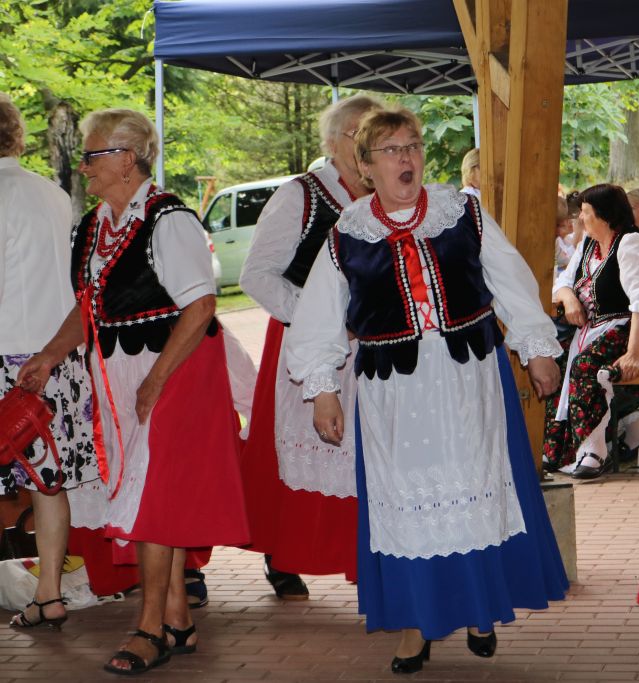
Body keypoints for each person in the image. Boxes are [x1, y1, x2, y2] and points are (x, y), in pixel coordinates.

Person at [285, 106, 568, 674]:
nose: (406, 158)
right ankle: (415, 626)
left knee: (476, 486)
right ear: (366, 167)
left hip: (469, 379)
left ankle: (481, 608)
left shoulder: (461, 212)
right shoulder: (347, 235)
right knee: (408, 505)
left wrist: (537, 347)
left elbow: (509, 278)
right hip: (395, 394)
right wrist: (323, 390)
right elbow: (317, 320)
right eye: (391, 150)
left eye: (412, 145)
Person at [18, 109, 249, 674]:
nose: (83, 166)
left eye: (92, 155)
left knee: (151, 499)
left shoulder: (168, 219)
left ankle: (149, 629)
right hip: (121, 373)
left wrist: (156, 379)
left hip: (177, 370)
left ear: (127, 159)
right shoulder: (94, 225)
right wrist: (49, 355)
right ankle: (178, 617)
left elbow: (200, 306)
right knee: (150, 494)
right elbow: (88, 308)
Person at [238, 95, 379, 599]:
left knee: (369, 453)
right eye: (359, 135)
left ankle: (369, 559)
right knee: (301, 451)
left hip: (373, 347)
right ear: (332, 142)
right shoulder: (302, 195)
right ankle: (283, 551)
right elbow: (256, 275)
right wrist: (321, 320)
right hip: (305, 341)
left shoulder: (386, 199)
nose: (367, 146)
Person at [0, 94, 96, 630]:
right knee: (48, 481)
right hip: (57, 356)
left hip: (7, 357)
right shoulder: (52, 193)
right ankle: (48, 593)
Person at [543, 184, 639, 479]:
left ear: (606, 216)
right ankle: (560, 449)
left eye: (586, 212)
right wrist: (570, 299)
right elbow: (563, 282)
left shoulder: (631, 244)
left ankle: (594, 451)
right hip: (596, 331)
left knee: (587, 365)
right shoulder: (589, 243)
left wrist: (633, 354)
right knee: (556, 363)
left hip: (638, 334)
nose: (580, 218)